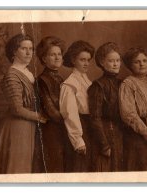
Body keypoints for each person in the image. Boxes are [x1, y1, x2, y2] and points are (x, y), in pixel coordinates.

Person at [0, 33, 47, 174]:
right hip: (18, 127)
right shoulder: (12, 74)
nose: (29, 52)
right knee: (19, 169)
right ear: (14, 51)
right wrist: (40, 116)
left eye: (31, 48)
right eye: (24, 48)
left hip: (28, 125)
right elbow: (17, 109)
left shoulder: (26, 72)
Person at [119, 47, 147, 171]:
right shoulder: (127, 84)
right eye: (137, 62)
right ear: (130, 65)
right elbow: (129, 115)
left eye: (144, 60)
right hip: (137, 134)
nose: (142, 64)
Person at [59, 40, 95, 172]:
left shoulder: (86, 80)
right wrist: (78, 141)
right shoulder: (70, 84)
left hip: (90, 128)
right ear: (73, 60)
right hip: (79, 129)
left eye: (88, 60)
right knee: (79, 169)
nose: (86, 63)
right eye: (82, 60)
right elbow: (70, 114)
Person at [88, 42, 124, 172]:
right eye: (111, 61)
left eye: (118, 60)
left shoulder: (122, 83)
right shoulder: (98, 86)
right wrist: (104, 145)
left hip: (120, 135)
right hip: (105, 136)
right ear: (102, 63)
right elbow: (95, 118)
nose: (115, 64)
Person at [36, 36, 68, 173]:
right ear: (44, 58)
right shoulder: (42, 81)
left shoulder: (61, 78)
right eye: (52, 54)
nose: (57, 58)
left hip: (64, 128)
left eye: (59, 54)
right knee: (55, 166)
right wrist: (71, 121)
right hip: (51, 131)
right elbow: (51, 111)